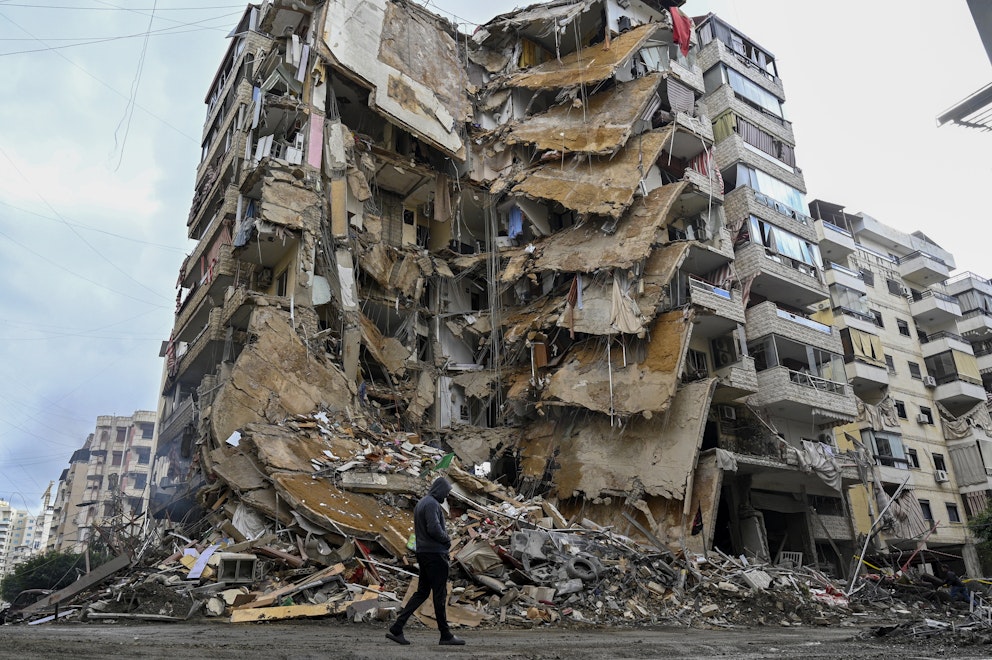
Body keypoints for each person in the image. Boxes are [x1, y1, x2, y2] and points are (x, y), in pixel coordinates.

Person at [386, 476, 465, 646]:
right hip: (435, 554)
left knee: (422, 592)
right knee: (439, 595)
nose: (446, 496)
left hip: (424, 553)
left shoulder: (422, 502)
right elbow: (434, 528)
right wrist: (447, 540)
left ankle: (397, 628)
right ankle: (445, 635)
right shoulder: (432, 504)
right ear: (440, 490)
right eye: (445, 493)